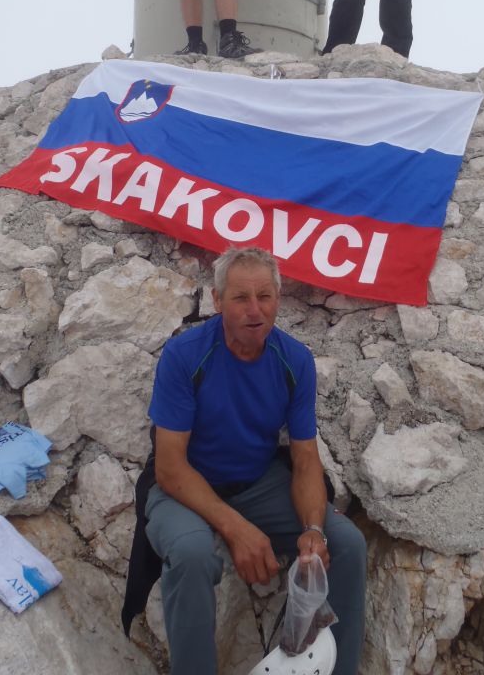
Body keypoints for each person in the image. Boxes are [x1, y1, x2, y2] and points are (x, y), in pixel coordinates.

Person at [142, 246, 367, 675]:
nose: (254, 310)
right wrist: (236, 528)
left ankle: (339, 668)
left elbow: (304, 460)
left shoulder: (294, 360)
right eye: (241, 298)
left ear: (278, 300)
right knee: (191, 554)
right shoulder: (185, 356)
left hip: (257, 483)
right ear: (217, 300)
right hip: (186, 488)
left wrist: (313, 529)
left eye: (265, 296)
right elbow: (170, 467)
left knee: (347, 544)